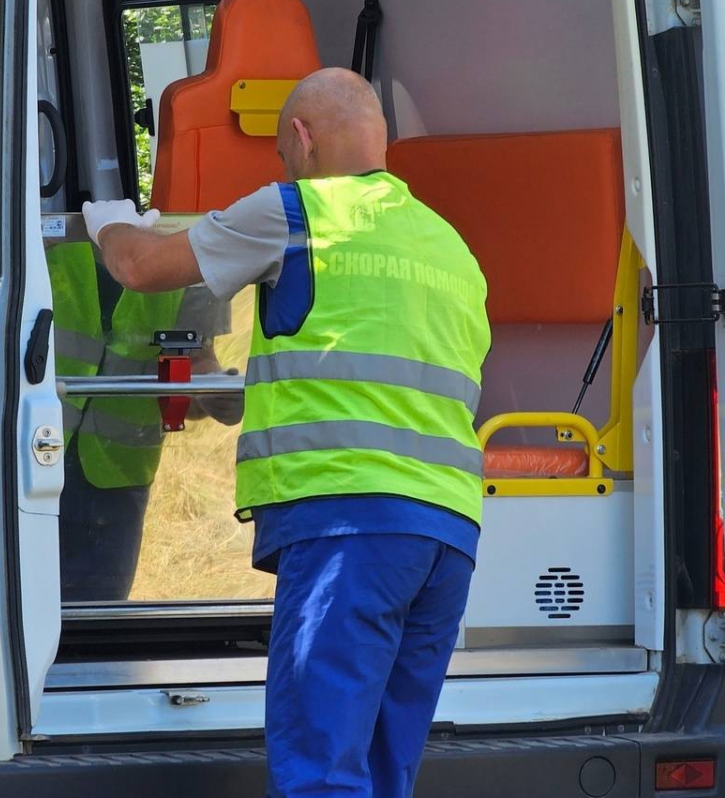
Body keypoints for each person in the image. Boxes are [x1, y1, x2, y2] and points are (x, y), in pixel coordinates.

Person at [79, 67, 491, 798]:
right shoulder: (449, 244)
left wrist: (107, 219)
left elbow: (141, 267)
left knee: (320, 775)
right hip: (448, 537)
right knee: (381, 773)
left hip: (349, 526)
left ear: (300, 139)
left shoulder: (296, 212)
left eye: (279, 151)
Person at [48, 239, 240, 601]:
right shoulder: (43, 232)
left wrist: (214, 393)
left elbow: (192, 364)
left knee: (96, 631)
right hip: (24, 468)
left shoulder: (196, 252)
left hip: (116, 486)